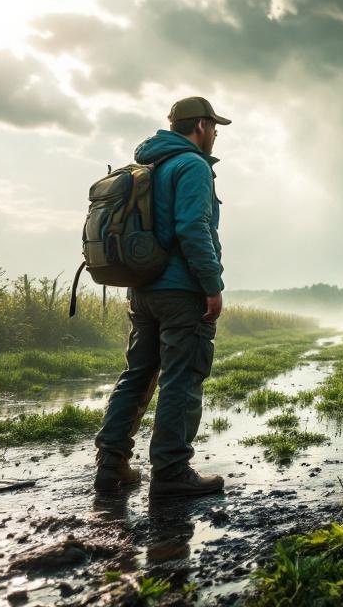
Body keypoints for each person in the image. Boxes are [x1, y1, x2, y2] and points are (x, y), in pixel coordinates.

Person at [93, 96, 230, 497]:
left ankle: (111, 464)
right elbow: (193, 228)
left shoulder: (151, 165)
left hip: (143, 289)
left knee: (137, 374)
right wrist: (212, 285)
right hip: (181, 291)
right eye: (214, 126)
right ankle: (171, 471)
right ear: (201, 126)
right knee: (181, 378)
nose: (216, 134)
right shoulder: (192, 165)